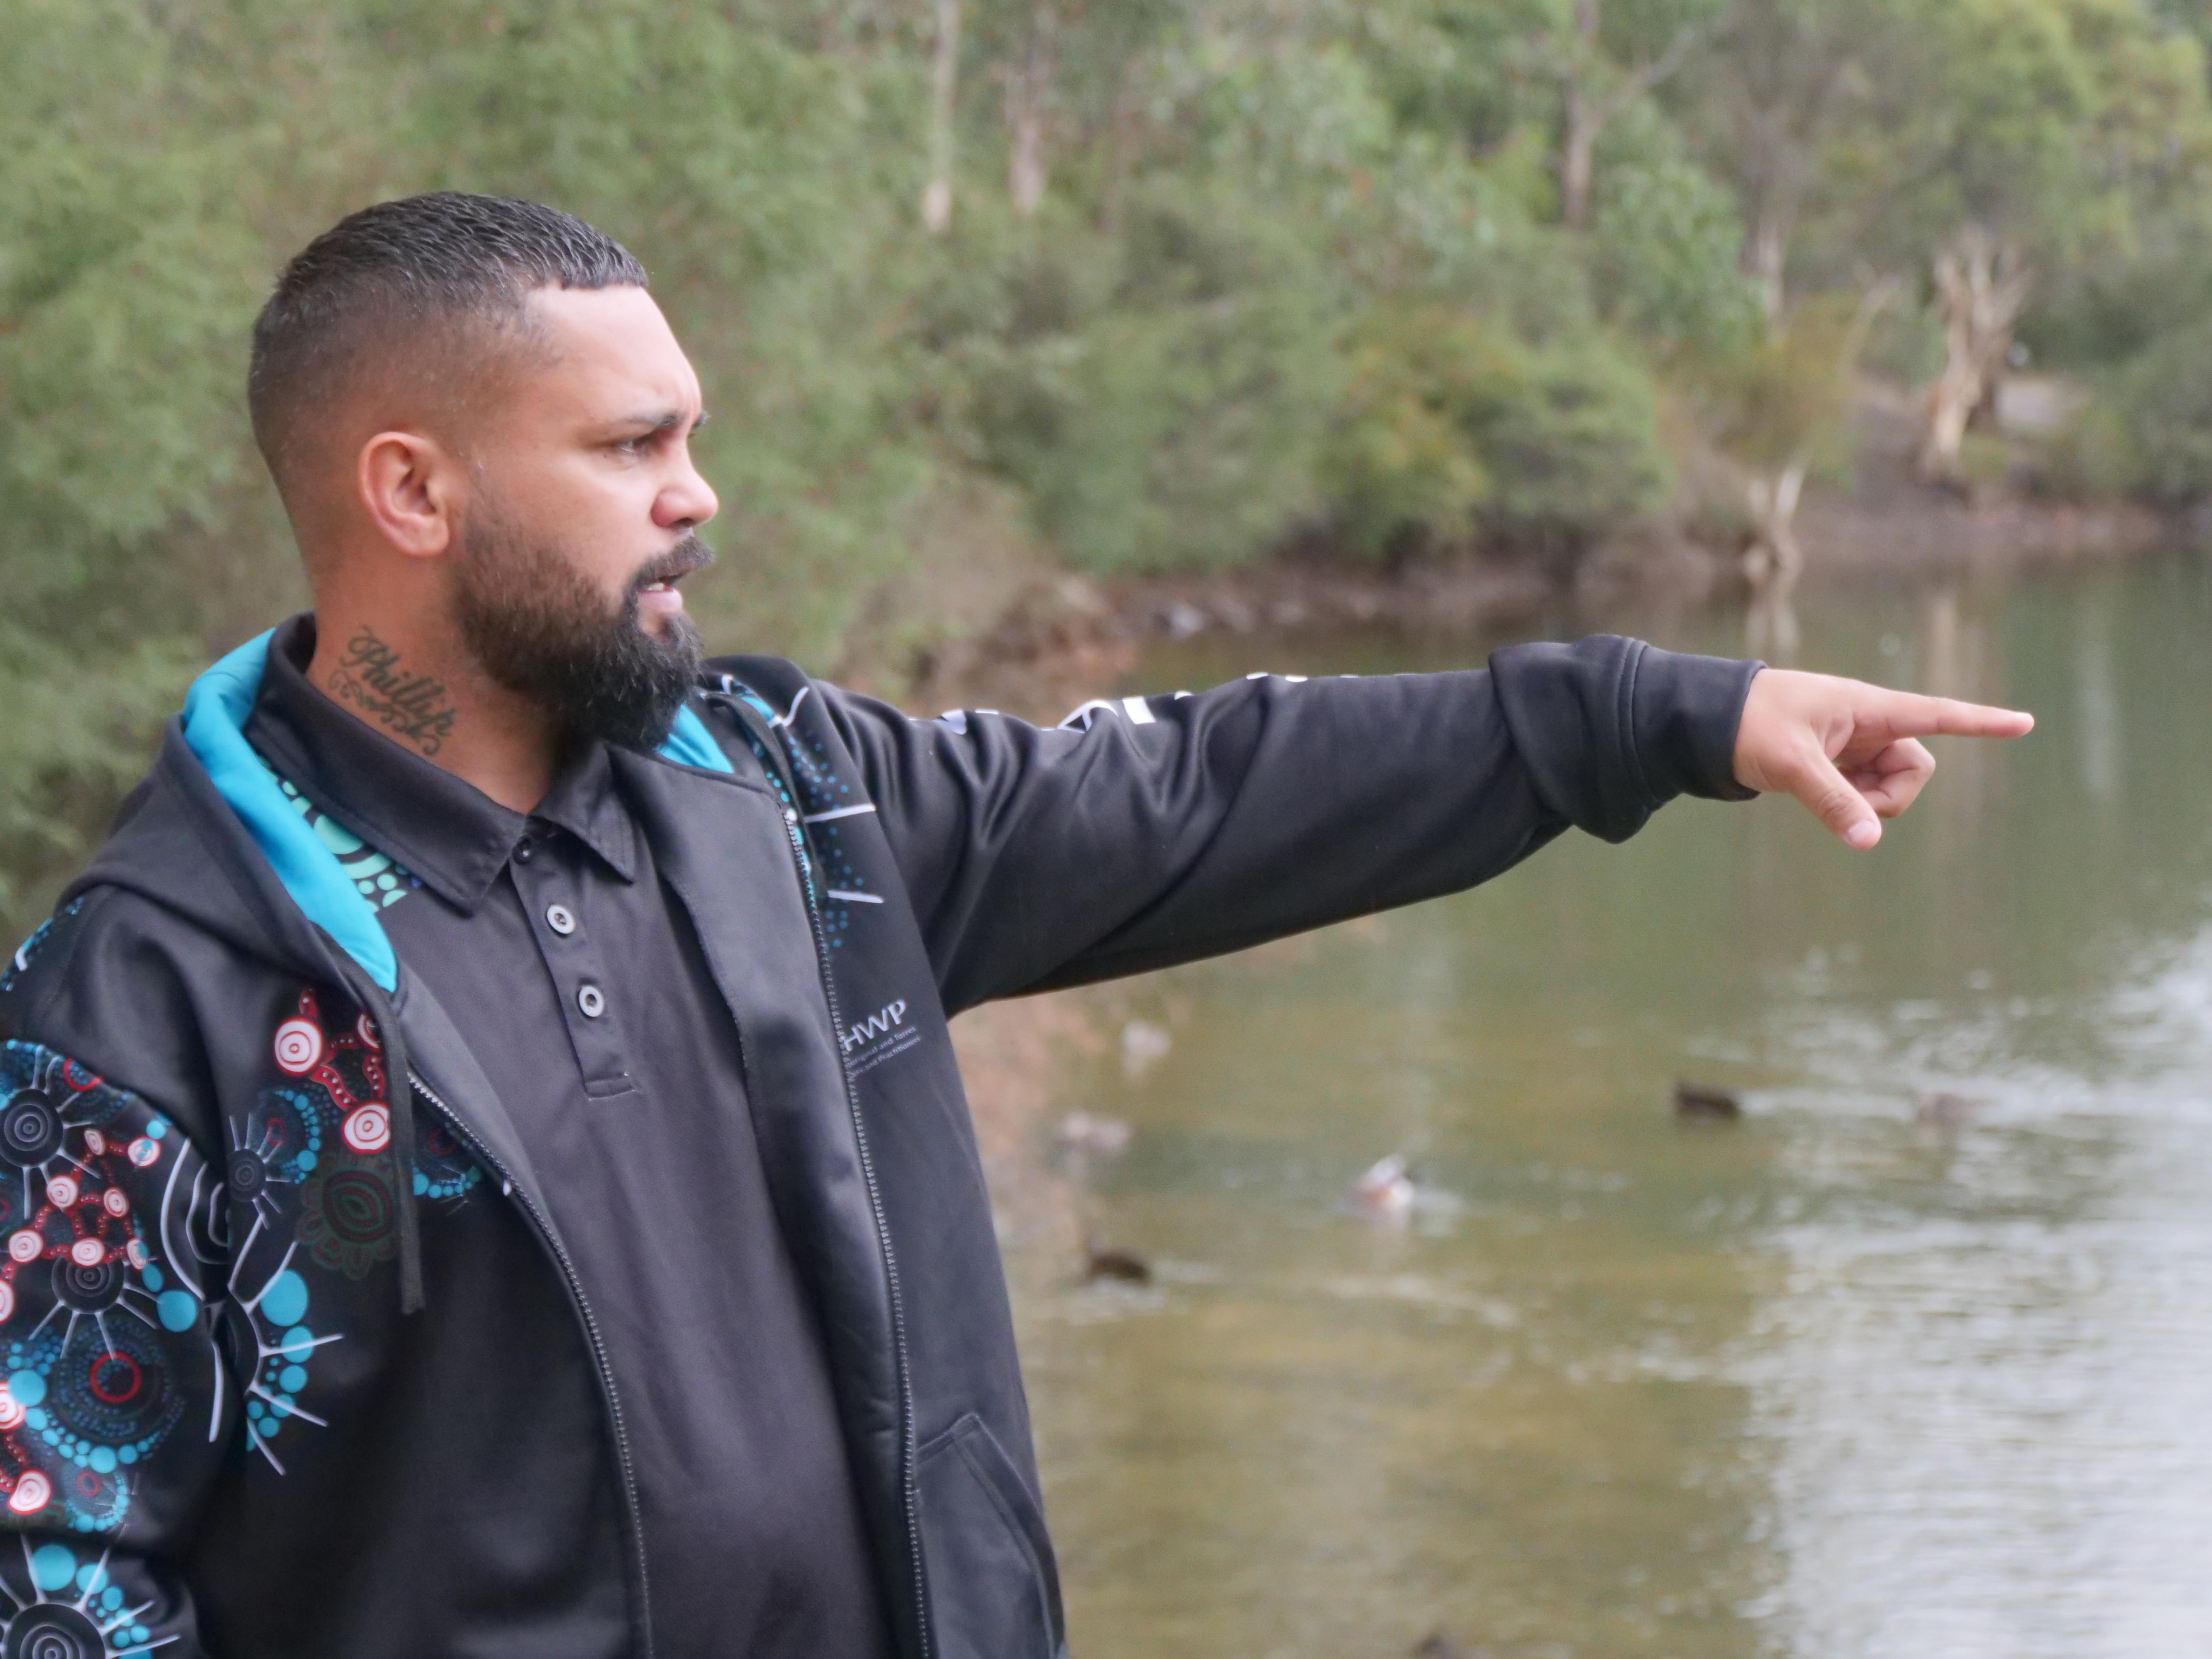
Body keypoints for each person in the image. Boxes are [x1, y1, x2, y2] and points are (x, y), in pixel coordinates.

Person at [0, 194, 2032, 1659]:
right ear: (412, 491)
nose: (699, 495)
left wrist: (1652, 716)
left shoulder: (783, 801)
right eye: (632, 448)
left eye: (689, 433)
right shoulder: (150, 995)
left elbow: (1203, 789)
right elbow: (69, 1576)